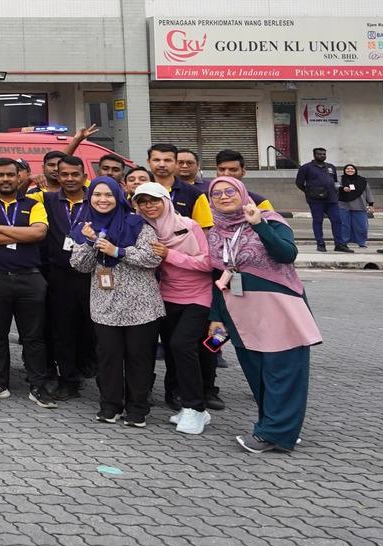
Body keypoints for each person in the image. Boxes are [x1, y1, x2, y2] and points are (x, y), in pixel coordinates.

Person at [207, 175, 321, 453]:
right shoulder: (214, 231)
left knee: (282, 372)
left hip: (278, 307)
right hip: (239, 310)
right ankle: (279, 428)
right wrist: (216, 316)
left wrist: (258, 224)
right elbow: (216, 276)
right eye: (217, 193)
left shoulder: (270, 219)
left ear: (243, 193)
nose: (223, 197)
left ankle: (272, 434)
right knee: (257, 373)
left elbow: (286, 254)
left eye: (229, 191)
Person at [69, 176, 164, 427]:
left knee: (139, 357)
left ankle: (137, 409)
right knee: (108, 357)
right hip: (105, 304)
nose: (103, 200)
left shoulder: (137, 224)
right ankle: (110, 405)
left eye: (108, 195)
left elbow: (152, 258)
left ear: (118, 196)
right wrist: (90, 243)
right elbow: (79, 265)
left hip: (140, 305)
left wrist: (117, 251)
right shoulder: (84, 226)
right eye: (97, 195)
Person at [0, 157, 54, 407]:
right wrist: (19, 232)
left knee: (34, 336)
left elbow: (39, 233)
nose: (5, 179)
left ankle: (38, 386)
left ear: (20, 177)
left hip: (30, 278)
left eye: (10, 175)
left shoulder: (33, 203)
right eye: (0, 175)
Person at [138, 181, 216, 435]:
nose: (149, 206)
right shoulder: (142, 229)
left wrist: (169, 255)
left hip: (197, 296)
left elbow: (208, 264)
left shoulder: (188, 226)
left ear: (166, 201)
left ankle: (194, 406)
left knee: (182, 345)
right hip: (164, 297)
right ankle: (193, 409)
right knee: (174, 352)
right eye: (143, 201)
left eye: (154, 200)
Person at [40, 154, 95, 402]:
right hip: (60, 276)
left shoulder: (98, 199)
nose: (70, 179)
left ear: (84, 176)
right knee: (63, 331)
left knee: (96, 331)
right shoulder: (48, 200)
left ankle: (104, 379)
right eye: (64, 174)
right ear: (56, 176)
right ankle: (68, 380)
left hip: (92, 275)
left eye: (75, 174)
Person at [294, 148, 338, 252]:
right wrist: (308, 191)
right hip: (316, 200)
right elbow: (299, 183)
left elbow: (335, 181)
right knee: (318, 221)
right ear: (314, 155)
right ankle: (320, 243)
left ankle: (339, 244)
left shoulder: (331, 167)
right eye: (319, 154)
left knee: (337, 221)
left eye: (324, 154)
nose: (322, 155)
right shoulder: (306, 167)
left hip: (332, 199)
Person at [333, 164, 373, 252]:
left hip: (360, 205)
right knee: (344, 225)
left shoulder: (362, 180)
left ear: (355, 170)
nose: (349, 170)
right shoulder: (340, 178)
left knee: (362, 226)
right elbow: (335, 185)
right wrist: (342, 188)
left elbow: (368, 192)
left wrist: (371, 204)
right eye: (347, 169)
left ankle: (361, 242)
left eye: (352, 169)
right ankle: (344, 242)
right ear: (344, 170)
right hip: (343, 205)